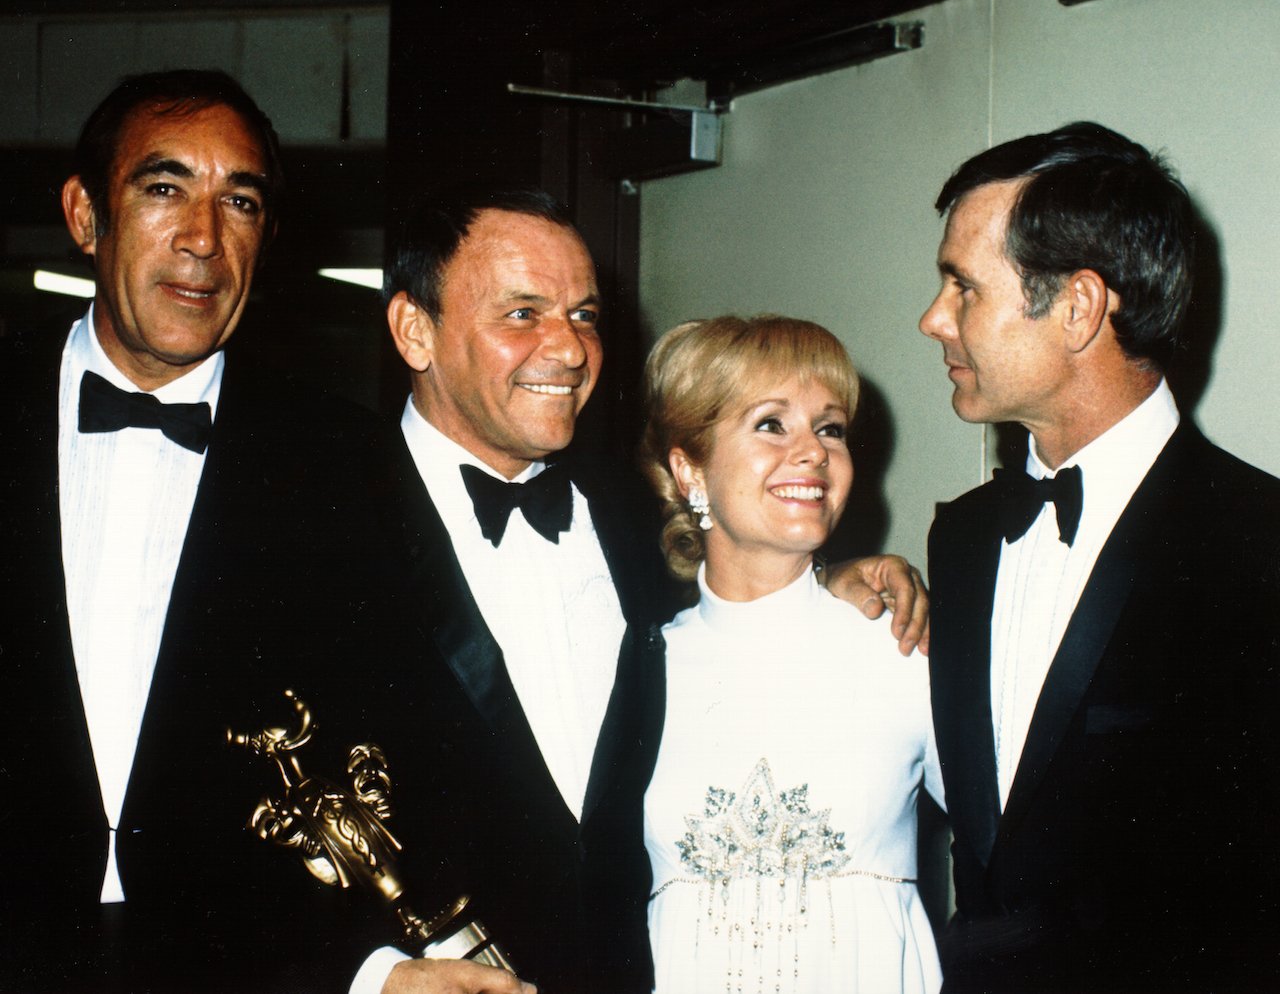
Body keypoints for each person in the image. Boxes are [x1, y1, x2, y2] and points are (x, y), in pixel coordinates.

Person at [348, 186, 930, 994]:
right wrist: (370, 976)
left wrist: (837, 575)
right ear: (416, 329)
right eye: (523, 313)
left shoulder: (625, 521)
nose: (569, 348)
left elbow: (747, 598)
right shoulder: (315, 525)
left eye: (584, 316)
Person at [0, 69, 376, 992]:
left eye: (239, 202)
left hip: (237, 965)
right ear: (86, 217)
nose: (204, 239)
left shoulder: (346, 464)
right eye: (164, 188)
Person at [919, 122, 1280, 993]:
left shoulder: (1260, 545)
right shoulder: (962, 540)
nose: (933, 319)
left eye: (963, 287)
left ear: (1079, 307)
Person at [637, 315, 944, 994]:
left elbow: (1024, 849)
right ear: (690, 467)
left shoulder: (899, 646)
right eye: (772, 424)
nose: (813, 452)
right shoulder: (636, 671)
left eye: (830, 428)